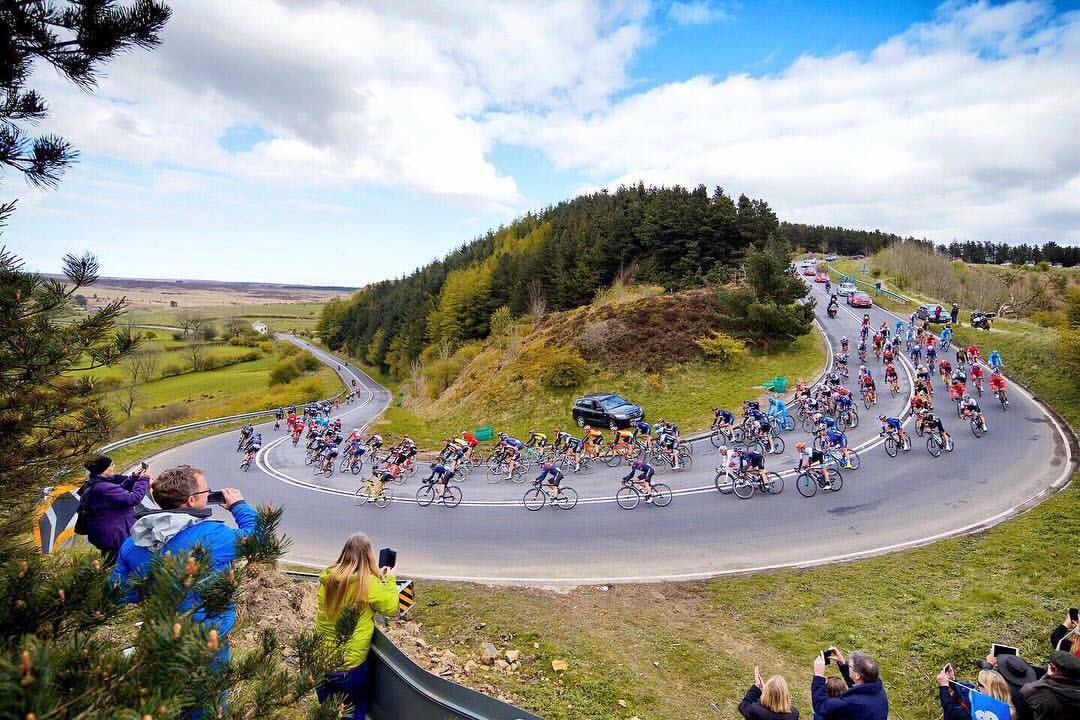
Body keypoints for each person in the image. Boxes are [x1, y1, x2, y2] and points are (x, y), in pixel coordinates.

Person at [111, 466, 256, 660]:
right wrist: (239, 505)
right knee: (209, 688)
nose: (209, 493)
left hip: (160, 634)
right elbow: (258, 540)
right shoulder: (212, 535)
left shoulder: (134, 542)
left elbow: (119, 594)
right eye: (206, 491)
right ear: (192, 500)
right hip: (207, 639)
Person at [314, 533, 399, 720]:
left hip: (320, 661)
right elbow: (391, 607)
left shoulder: (327, 579)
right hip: (350, 666)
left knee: (325, 710)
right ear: (369, 557)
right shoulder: (367, 584)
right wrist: (390, 580)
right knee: (353, 708)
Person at [77, 455, 151, 566]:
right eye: (111, 464)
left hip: (107, 535)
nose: (114, 466)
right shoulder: (103, 488)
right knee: (117, 565)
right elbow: (133, 498)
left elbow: (118, 492)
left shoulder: (97, 484)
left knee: (113, 563)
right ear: (103, 469)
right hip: (115, 537)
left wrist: (134, 478)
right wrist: (144, 479)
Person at [812, 649, 888, 720]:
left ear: (857, 675)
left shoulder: (850, 702)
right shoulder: (878, 690)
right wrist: (843, 664)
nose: (848, 666)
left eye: (850, 666)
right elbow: (859, 686)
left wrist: (819, 676)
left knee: (818, 716)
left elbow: (821, 707)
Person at [938, 666, 1016, 720]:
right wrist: (952, 681)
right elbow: (968, 691)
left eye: (979, 684)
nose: (977, 685)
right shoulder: (1008, 708)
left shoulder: (977, 712)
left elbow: (949, 708)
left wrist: (943, 687)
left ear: (988, 689)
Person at [1020, 651, 1080, 719]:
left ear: (1054, 669)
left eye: (1050, 666)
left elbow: (1024, 693)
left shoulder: (1036, 692)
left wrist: (1047, 676)